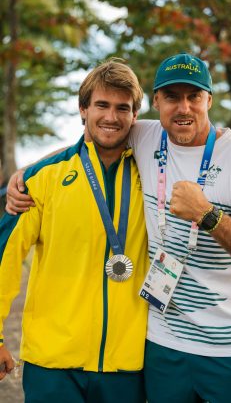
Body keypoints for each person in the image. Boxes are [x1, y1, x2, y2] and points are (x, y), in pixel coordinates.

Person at [5, 53, 231, 403]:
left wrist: (208, 215)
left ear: (209, 100)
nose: (183, 108)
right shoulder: (147, 138)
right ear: (155, 104)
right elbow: (95, 137)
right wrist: (28, 172)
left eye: (194, 96)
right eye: (171, 97)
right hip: (163, 347)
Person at [0, 59, 150, 403]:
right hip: (52, 365)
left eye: (122, 108)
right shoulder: (42, 179)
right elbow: (5, 257)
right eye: (101, 105)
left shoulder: (155, 175)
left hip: (127, 366)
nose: (111, 117)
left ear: (135, 115)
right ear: (83, 109)